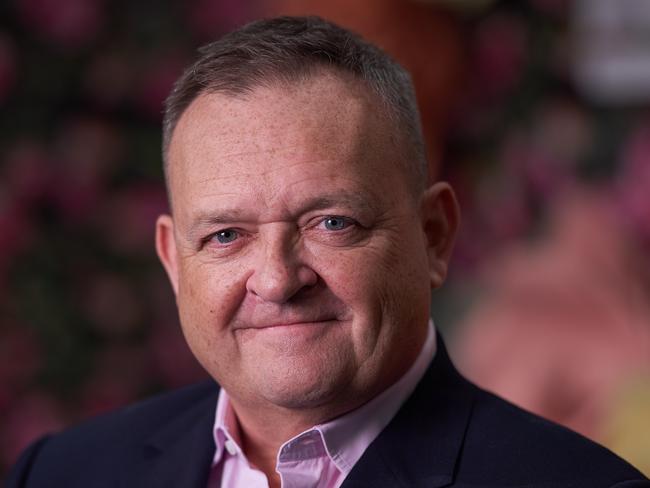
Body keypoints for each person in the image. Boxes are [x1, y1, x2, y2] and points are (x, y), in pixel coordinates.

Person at [6, 16, 649, 488]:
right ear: (175, 261)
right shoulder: (62, 473)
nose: (278, 279)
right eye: (225, 235)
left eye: (331, 222)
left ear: (433, 235)